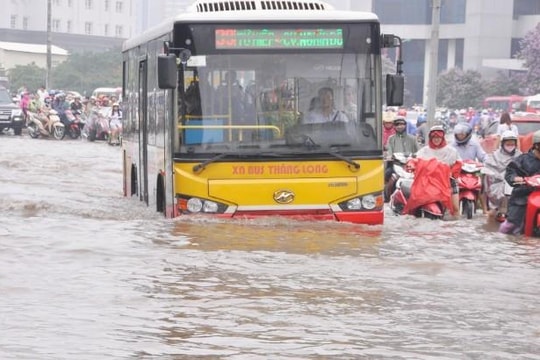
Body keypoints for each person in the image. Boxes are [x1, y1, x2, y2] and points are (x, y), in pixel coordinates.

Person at [499, 130, 540, 234]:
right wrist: (516, 178)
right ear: (536, 145)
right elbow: (510, 172)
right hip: (523, 196)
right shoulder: (522, 159)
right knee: (510, 225)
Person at [416, 125, 462, 216]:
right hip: (429, 182)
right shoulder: (424, 151)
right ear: (430, 138)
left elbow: (458, 163)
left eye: (438, 137)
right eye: (434, 137)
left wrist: (451, 172)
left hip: (449, 180)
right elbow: (416, 161)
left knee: (455, 208)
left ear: (442, 138)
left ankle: (456, 223)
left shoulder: (451, 151)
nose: (436, 139)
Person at [482, 130, 521, 221]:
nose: (510, 145)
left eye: (512, 143)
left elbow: (524, 169)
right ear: (502, 143)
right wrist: (498, 176)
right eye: (508, 143)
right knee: (492, 213)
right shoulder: (494, 155)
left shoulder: (520, 155)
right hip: (497, 185)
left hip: (515, 184)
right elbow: (488, 169)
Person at [384, 116, 420, 201]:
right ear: (394, 126)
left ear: (405, 125)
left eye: (402, 124)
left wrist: (416, 156)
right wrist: (390, 156)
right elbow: (389, 150)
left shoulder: (412, 138)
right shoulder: (391, 138)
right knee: (387, 174)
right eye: (397, 124)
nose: (400, 126)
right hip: (396, 164)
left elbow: (418, 151)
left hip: (411, 165)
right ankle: (387, 195)